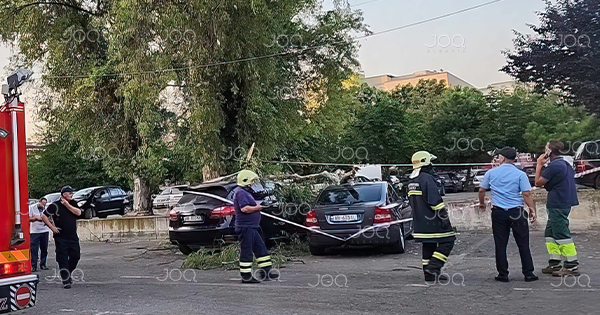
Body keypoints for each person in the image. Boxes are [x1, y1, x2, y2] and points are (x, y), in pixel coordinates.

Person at [478, 147, 538, 282]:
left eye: (498, 157)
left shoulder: (491, 173)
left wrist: (482, 204)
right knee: (523, 243)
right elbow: (526, 194)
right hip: (517, 211)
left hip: (499, 212)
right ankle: (528, 273)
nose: (497, 159)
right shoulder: (520, 174)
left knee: (500, 243)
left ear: (503, 158)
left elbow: (482, 190)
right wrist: (532, 210)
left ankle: (503, 274)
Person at [407, 151, 455, 283]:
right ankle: (434, 267)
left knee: (428, 244)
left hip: (420, 221)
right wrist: (444, 217)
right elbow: (435, 201)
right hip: (433, 220)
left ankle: (429, 275)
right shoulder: (427, 179)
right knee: (448, 240)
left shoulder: (412, 180)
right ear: (426, 163)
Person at [535, 140, 580, 276]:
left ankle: (571, 264)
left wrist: (539, 164)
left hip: (558, 204)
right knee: (550, 233)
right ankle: (554, 262)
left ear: (549, 151)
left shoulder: (555, 166)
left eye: (546, 148)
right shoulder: (564, 164)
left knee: (561, 233)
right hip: (562, 202)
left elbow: (538, 182)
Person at [233, 170, 276, 284]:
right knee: (247, 251)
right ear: (245, 181)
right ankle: (246, 276)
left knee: (260, 248)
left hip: (252, 226)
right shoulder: (240, 192)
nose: (253, 184)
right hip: (245, 227)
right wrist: (259, 207)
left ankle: (266, 272)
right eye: (252, 182)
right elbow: (245, 209)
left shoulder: (246, 192)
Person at [41, 186, 82, 289]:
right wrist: (52, 227)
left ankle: (67, 272)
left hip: (72, 236)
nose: (72, 195)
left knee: (75, 256)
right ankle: (66, 280)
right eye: (70, 193)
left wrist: (67, 205)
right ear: (64, 194)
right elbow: (44, 216)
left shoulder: (72, 203)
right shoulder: (55, 205)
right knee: (62, 258)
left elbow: (78, 213)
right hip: (60, 237)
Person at [29, 197, 49, 272]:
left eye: (44, 204)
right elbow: (27, 218)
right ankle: (34, 265)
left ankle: (43, 264)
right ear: (39, 202)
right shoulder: (31, 208)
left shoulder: (46, 208)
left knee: (44, 249)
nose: (43, 205)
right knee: (34, 249)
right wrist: (35, 218)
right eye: (42, 203)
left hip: (44, 230)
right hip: (34, 231)